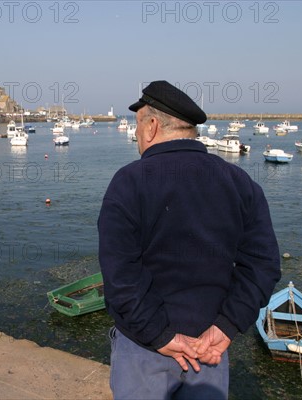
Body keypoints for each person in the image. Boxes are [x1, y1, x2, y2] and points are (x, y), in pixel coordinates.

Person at [97, 80, 281, 399]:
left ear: (152, 125)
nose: (136, 135)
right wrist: (228, 326)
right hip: (209, 348)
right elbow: (263, 265)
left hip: (145, 350)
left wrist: (160, 335)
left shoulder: (129, 183)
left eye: (137, 125)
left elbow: (120, 275)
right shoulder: (240, 182)